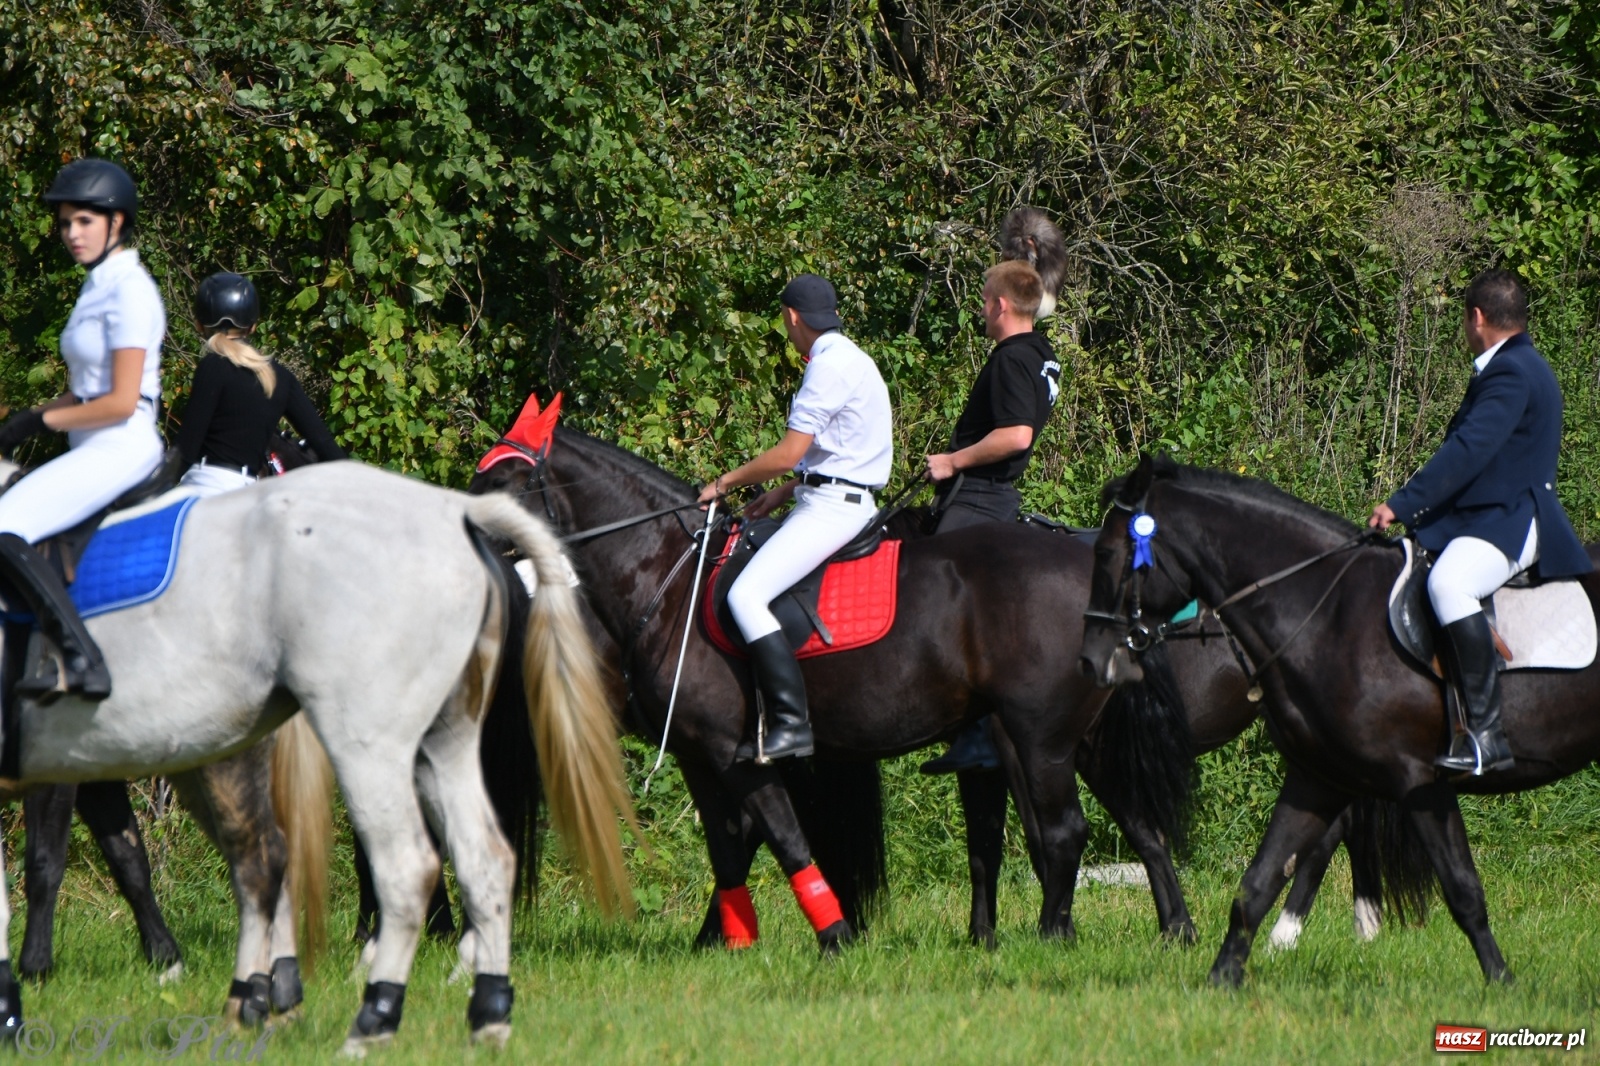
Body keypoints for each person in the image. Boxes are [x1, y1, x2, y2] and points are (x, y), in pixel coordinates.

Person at [1370, 269, 1591, 777]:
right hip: (1490, 513)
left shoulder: (1511, 372)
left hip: (1514, 517)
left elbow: (1469, 452)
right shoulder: (1517, 366)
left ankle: (1487, 736)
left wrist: (1402, 504)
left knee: (1450, 585)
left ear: (1476, 318)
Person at [696, 274, 893, 761]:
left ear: (792, 317)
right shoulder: (849, 357)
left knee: (744, 595)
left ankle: (790, 723)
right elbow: (830, 455)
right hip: (826, 497)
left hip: (834, 511)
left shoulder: (827, 367)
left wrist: (724, 483)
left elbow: (788, 453)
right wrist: (783, 493)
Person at [0, 159, 165, 700]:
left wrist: (39, 420)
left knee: (5, 521)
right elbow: (86, 391)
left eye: (84, 222)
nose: (71, 233)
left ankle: (81, 659)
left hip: (122, 443)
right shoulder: (97, 287)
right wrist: (18, 423)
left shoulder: (130, 291)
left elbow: (119, 402)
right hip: (91, 442)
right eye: (66, 223)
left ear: (116, 223)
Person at [919, 214, 1064, 775]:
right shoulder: (1043, 354)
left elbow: (1016, 435)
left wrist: (952, 459)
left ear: (1001, 306)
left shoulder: (1009, 358)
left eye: (984, 300)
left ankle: (975, 730)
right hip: (997, 500)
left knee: (932, 598)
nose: (981, 309)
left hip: (979, 500)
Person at [174, 272, 346, 496]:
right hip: (251, 492)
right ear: (253, 326)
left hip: (205, 484)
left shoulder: (212, 367)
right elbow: (328, 450)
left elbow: (185, 450)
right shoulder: (280, 376)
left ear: (199, 324)